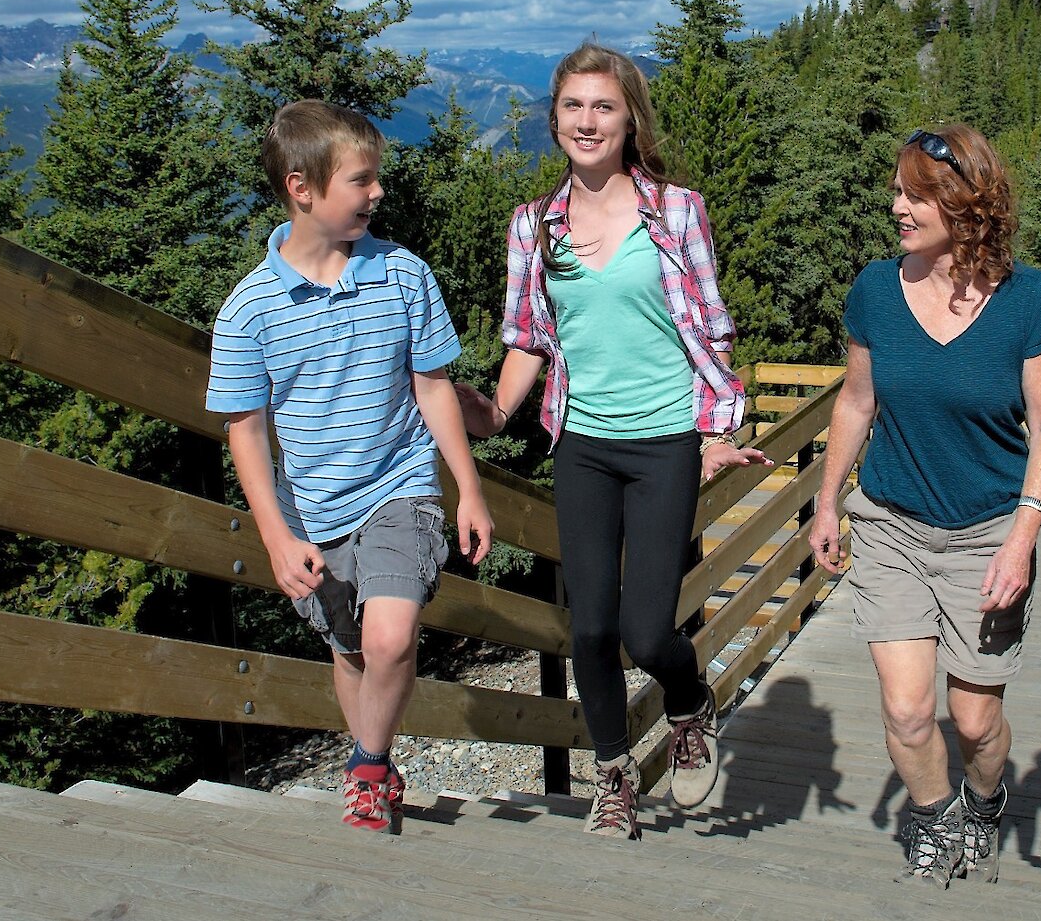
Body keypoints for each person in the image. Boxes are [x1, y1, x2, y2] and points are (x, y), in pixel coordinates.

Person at [458, 42, 769, 840]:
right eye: (573, 106)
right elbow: (527, 336)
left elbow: (711, 328)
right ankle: (614, 775)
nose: (587, 121)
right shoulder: (534, 226)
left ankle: (690, 699)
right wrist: (492, 410)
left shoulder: (677, 210)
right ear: (554, 117)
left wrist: (715, 430)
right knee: (589, 626)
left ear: (630, 117)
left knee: (646, 630)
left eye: (603, 106)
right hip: (584, 443)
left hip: (666, 437)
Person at [207, 100, 493, 835]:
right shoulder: (249, 312)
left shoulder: (404, 275)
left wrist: (469, 487)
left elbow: (433, 386)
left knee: (391, 635)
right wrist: (274, 534)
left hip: (401, 486)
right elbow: (245, 431)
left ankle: (366, 763)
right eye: (361, 180)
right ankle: (375, 765)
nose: (378, 193)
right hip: (314, 512)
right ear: (302, 187)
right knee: (353, 648)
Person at [810, 124, 1041, 889]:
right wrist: (828, 500)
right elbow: (856, 402)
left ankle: (984, 798)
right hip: (890, 521)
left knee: (977, 722)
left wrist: (1024, 537)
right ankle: (933, 815)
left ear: (966, 204)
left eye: (915, 194)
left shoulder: (1031, 302)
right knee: (909, 711)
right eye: (897, 190)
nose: (896, 206)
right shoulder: (874, 291)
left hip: (990, 530)